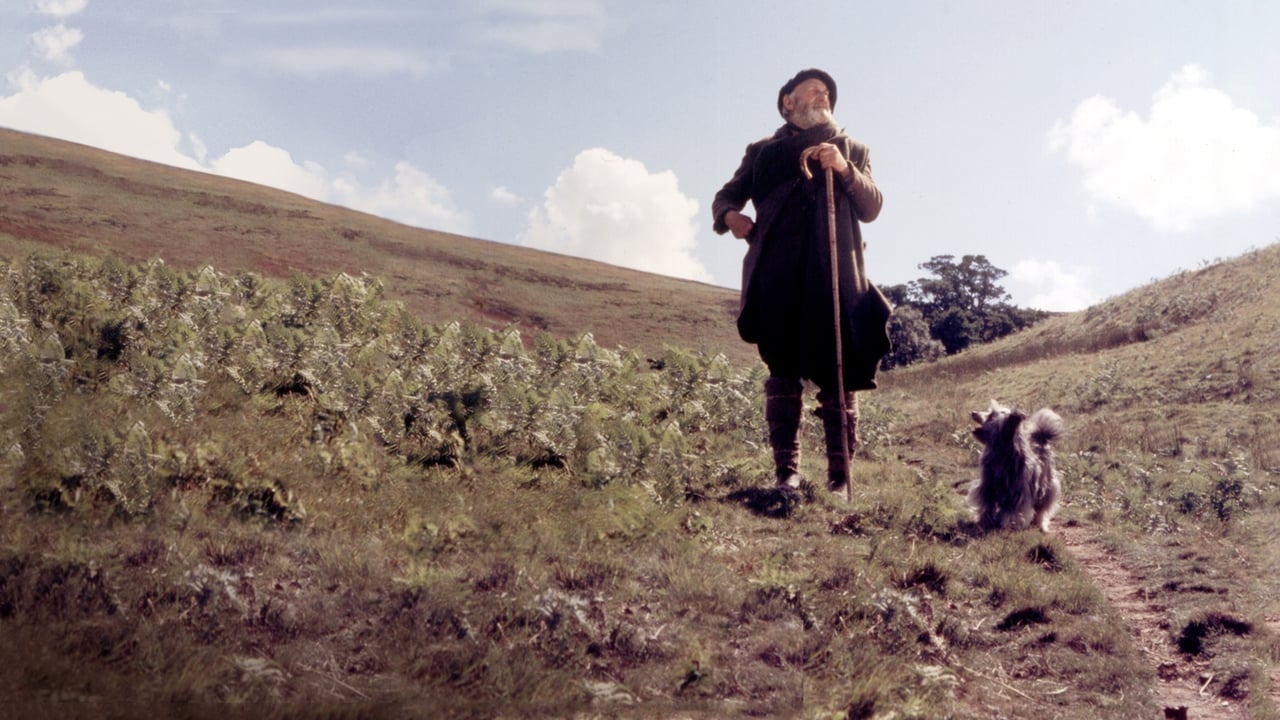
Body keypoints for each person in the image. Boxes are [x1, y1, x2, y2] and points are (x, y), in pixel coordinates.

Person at [712, 68, 891, 493]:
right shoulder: (762, 153)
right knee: (783, 369)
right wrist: (730, 218)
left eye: (827, 92)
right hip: (778, 272)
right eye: (812, 90)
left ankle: (840, 476)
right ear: (787, 101)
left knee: (840, 371)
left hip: (836, 276)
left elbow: (872, 206)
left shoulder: (853, 149)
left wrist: (845, 169)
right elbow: (726, 196)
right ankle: (786, 473)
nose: (823, 94)